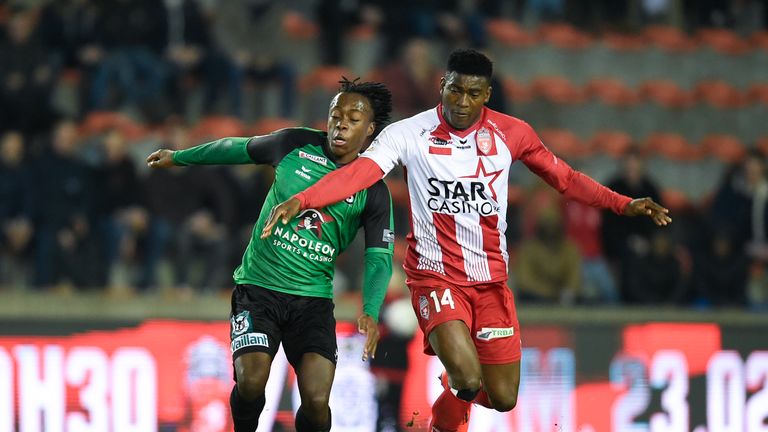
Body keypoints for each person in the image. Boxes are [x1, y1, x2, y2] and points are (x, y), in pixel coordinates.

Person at [261, 49, 671, 432]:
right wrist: (304, 199)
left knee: (503, 397)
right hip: (434, 277)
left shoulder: (513, 134)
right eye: (455, 89)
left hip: (490, 284)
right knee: (468, 375)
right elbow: (359, 174)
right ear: (442, 84)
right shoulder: (409, 133)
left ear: (487, 95)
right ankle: (452, 394)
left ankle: (449, 391)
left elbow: (565, 179)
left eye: (473, 93)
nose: (462, 100)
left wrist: (622, 204)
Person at [146, 78, 395, 432]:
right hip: (258, 290)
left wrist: (370, 310)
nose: (341, 123)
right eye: (335, 115)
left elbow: (379, 257)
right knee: (250, 383)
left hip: (312, 302)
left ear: (370, 129)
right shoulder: (294, 143)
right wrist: (180, 158)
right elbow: (236, 147)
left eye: (353, 119)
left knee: (316, 398)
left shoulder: (373, 187)